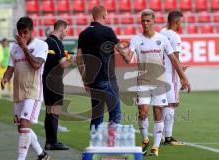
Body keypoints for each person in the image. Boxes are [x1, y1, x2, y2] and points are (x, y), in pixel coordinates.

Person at [117, 9, 190, 156]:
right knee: (142, 112)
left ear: (153, 21)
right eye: (143, 21)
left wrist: (183, 77)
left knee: (158, 113)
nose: (145, 23)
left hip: (159, 82)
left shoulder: (162, 39)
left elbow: (174, 60)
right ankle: (145, 139)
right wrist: (123, 53)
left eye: (148, 20)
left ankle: (155, 147)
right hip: (142, 82)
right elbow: (129, 58)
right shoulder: (136, 39)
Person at [1, 16, 50, 160]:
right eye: (20, 33)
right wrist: (5, 78)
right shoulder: (13, 48)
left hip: (33, 91)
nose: (22, 36)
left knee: (23, 123)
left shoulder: (41, 45)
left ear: (31, 31)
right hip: (18, 91)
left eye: (25, 32)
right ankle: (42, 154)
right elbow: (10, 68)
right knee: (22, 128)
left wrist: (24, 47)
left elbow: (36, 65)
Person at [76, 6, 122, 129]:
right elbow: (121, 49)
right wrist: (129, 54)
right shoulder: (108, 31)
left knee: (96, 114)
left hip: (92, 80)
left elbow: (78, 58)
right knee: (115, 112)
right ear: (104, 15)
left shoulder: (83, 34)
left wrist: (85, 79)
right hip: (107, 77)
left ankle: (94, 143)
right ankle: (112, 142)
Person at [43, 20, 72, 150]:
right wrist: (73, 59)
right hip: (55, 80)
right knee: (55, 111)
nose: (66, 34)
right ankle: (53, 142)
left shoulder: (46, 41)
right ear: (61, 29)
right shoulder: (57, 42)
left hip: (46, 78)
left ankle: (49, 142)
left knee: (49, 111)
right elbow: (63, 64)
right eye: (66, 31)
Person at [160, 11, 188, 145]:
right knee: (172, 104)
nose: (181, 24)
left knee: (161, 105)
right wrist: (182, 76)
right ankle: (168, 137)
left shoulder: (161, 33)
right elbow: (175, 59)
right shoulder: (175, 37)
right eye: (181, 22)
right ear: (176, 22)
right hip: (170, 76)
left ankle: (163, 135)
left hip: (158, 74)